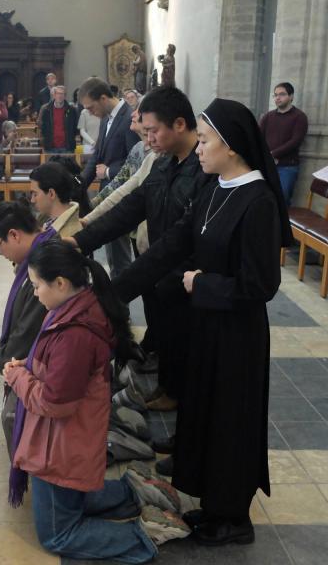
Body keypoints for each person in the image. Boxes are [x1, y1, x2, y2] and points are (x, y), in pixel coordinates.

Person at [106, 98, 292, 546]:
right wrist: (111, 295)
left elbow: (260, 285)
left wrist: (200, 283)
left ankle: (233, 518)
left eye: (206, 140)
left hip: (237, 335)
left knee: (230, 419)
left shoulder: (258, 200)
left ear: (230, 146)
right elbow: (172, 244)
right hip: (207, 326)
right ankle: (212, 501)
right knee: (204, 411)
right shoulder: (215, 187)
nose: (200, 148)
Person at [4, 239, 190, 562]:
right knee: (72, 498)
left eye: (36, 286)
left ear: (60, 283)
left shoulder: (74, 333)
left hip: (60, 446)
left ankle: (144, 533)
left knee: (57, 533)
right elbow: (59, 374)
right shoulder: (79, 305)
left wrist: (18, 378)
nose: (34, 293)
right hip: (72, 440)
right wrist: (30, 367)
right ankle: (134, 491)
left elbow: (55, 402)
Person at [72, 88, 211, 470]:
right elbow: (132, 207)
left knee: (191, 357)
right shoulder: (164, 163)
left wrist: (115, 292)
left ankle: (191, 445)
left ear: (180, 125)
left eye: (152, 132)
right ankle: (173, 402)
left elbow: (176, 242)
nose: (147, 139)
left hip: (187, 277)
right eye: (145, 131)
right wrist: (79, 241)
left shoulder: (204, 170)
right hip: (161, 272)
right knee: (167, 339)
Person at [0, 202, 50, 453]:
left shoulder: (42, 265)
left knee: (10, 417)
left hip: (42, 360)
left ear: (14, 234)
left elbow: (28, 329)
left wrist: (2, 359)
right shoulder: (36, 254)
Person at [79, 76, 140, 279]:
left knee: (120, 258)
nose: (88, 112)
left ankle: (121, 305)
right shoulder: (106, 118)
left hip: (122, 196)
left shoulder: (129, 118)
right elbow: (97, 153)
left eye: (90, 107)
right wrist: (79, 184)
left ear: (103, 98)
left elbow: (136, 161)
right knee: (111, 254)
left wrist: (107, 172)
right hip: (106, 193)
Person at [258, 82, 309, 205]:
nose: (278, 98)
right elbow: (258, 137)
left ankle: (281, 225)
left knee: (282, 200)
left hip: (287, 167)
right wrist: (266, 156)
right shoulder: (268, 117)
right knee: (264, 199)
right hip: (268, 165)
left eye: (282, 94)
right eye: (275, 95)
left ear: (291, 96)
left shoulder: (299, 117)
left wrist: (273, 154)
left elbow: (295, 141)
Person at [29, 162, 84, 238]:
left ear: (51, 194)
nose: (32, 200)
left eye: (35, 194)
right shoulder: (48, 221)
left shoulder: (65, 236)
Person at [39, 85, 79, 154]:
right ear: (54, 95)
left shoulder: (72, 110)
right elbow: (42, 127)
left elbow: (75, 127)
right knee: (51, 165)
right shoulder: (46, 110)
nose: (60, 96)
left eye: (62, 94)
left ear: (65, 96)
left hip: (67, 147)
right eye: (58, 93)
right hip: (50, 147)